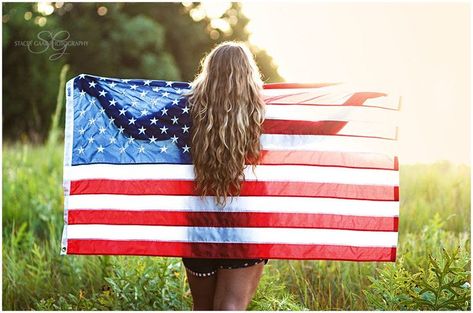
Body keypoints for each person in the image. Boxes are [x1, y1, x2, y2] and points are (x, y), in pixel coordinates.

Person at [181, 41, 269, 310]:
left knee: (203, 308)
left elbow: (138, 127)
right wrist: (356, 103)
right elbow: (317, 131)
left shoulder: (185, 110)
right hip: (245, 225)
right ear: (249, 74)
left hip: (199, 223)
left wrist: (97, 93)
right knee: (230, 307)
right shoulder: (264, 113)